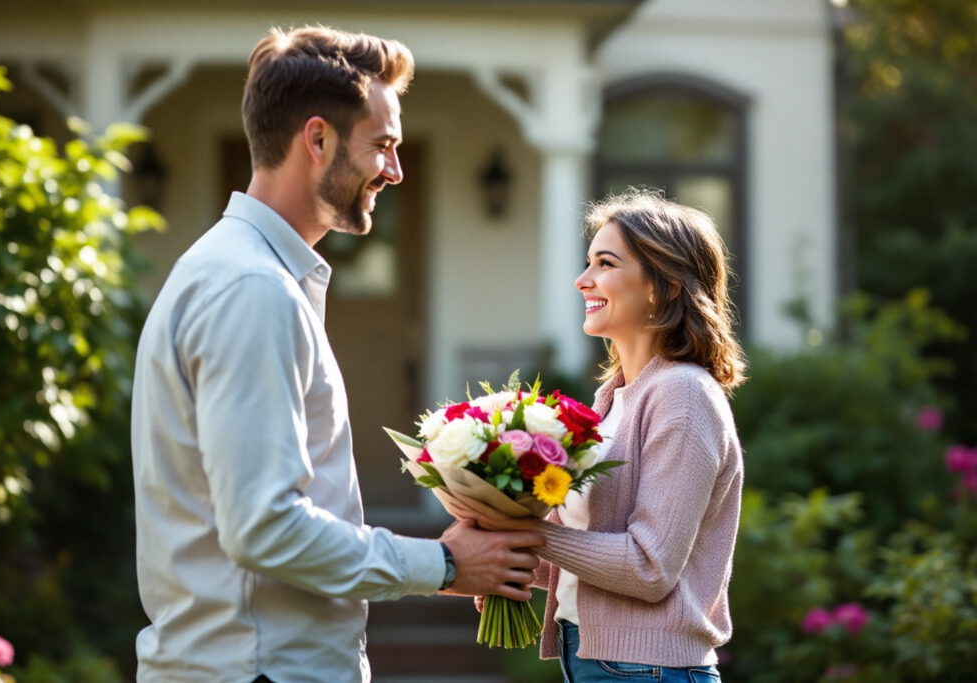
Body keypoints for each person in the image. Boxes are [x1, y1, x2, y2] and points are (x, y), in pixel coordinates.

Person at [130, 25, 542, 683]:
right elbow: (263, 528)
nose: (397, 171)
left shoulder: (247, 274)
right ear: (317, 140)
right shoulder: (251, 289)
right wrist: (442, 565)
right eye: (383, 146)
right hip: (257, 668)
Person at [470, 189, 747, 682]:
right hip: (601, 661)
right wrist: (503, 559)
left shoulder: (683, 395)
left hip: (650, 669)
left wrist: (529, 534)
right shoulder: (613, 398)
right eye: (587, 262)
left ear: (662, 286)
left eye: (605, 263)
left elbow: (648, 567)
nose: (582, 280)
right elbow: (587, 556)